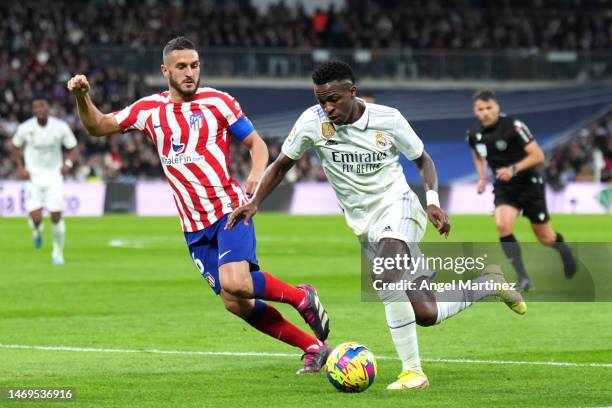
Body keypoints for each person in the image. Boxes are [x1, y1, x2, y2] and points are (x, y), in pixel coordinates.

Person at [227, 61, 526, 390]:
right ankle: (488, 284)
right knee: (426, 313)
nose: (327, 108)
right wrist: (254, 202)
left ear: (352, 93)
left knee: (385, 275)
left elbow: (422, 159)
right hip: (364, 224)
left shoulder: (388, 119)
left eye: (334, 100)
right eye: (321, 101)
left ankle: (413, 372)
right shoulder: (312, 123)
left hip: (399, 207)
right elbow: (282, 164)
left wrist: (433, 201)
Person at [66, 37, 330, 373]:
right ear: (166, 71)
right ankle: (312, 347)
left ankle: (300, 296)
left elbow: (256, 144)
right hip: (193, 227)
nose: (190, 72)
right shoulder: (149, 110)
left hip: (228, 209)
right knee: (236, 303)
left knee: (237, 282)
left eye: (194, 65)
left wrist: (255, 174)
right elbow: (98, 126)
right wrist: (82, 97)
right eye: (181, 67)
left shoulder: (219, 102)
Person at [466, 89, 576, 291]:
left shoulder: (514, 126)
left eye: (489, 108)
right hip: (504, 188)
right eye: (480, 109)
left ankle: (565, 251)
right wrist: (482, 177)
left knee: (545, 238)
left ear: (497, 106)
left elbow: (538, 155)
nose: (485, 113)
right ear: (475, 111)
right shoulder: (474, 134)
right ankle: (523, 277)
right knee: (502, 225)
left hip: (529, 184)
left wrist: (514, 168)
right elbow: (476, 155)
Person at [12, 98, 78, 265]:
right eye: (36, 107)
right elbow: (15, 146)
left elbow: (73, 147)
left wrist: (68, 163)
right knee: (36, 217)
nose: (39, 109)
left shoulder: (60, 127)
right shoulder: (25, 128)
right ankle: (36, 229)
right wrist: (21, 168)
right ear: (33, 111)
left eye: (42, 106)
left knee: (56, 215)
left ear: (48, 108)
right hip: (34, 177)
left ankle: (57, 253)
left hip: (54, 176)